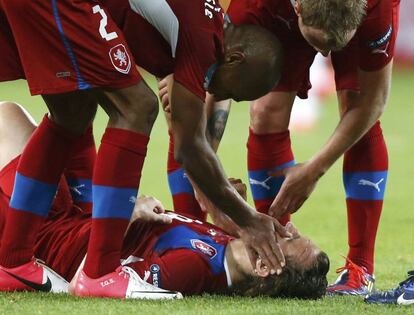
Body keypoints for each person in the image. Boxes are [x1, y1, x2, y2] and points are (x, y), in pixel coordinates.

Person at [0, 0, 287, 298]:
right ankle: (100, 273)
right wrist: (248, 218)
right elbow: (189, 147)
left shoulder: (208, 24)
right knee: (137, 107)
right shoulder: (204, 39)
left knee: (72, 112)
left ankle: (14, 263)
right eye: (232, 92)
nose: (218, 94)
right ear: (235, 58)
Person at [0, 102, 329, 299]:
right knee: (71, 109)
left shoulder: (188, 271)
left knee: (8, 117)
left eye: (290, 240)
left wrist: (126, 214)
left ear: (263, 266)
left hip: (46, 229)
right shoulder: (227, 245)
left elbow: (85, 283)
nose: (289, 229)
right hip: (76, 210)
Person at [226, 0, 400, 295]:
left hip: (346, 18)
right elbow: (213, 83)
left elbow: (374, 101)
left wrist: (314, 170)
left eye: (334, 45)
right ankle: (273, 251)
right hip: (282, 15)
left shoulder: (376, 5)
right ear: (297, 9)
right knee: (266, 112)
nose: (325, 55)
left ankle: (360, 266)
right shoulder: (253, 6)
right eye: (317, 43)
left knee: (358, 104)